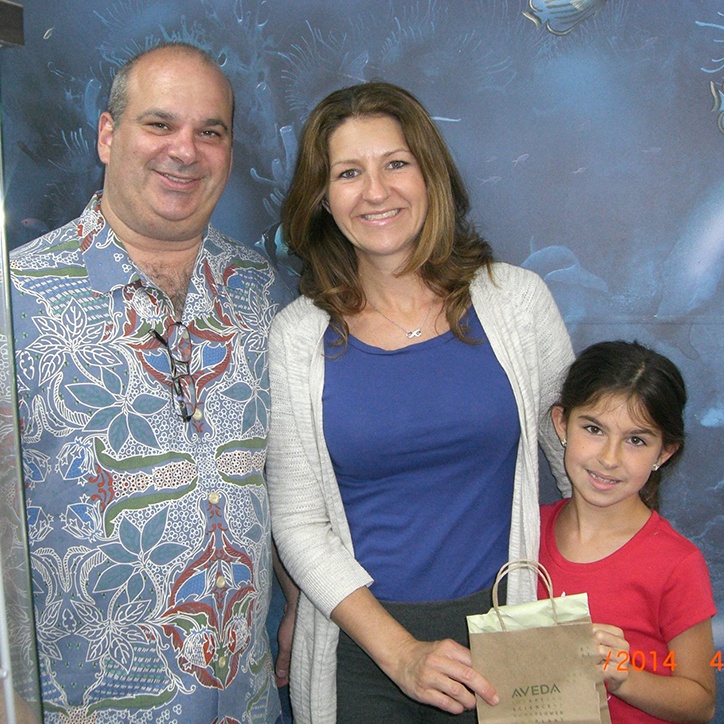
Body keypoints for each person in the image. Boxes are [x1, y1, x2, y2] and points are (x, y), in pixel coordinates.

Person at [265, 81, 574, 723]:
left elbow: (582, 465)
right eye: (349, 172)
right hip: (367, 653)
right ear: (323, 198)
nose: (376, 192)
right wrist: (401, 653)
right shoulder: (297, 337)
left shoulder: (517, 302)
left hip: (514, 636)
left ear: (430, 174)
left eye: (395, 163)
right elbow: (296, 522)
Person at [9, 42, 293, 723]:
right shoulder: (14, 297)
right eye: (159, 124)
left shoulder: (264, 292)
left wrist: (299, 602)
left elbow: (284, 472)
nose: (185, 151)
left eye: (210, 131)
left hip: (246, 704)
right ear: (108, 135)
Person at [539, 341, 717, 722]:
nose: (609, 458)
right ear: (561, 424)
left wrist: (625, 678)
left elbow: (702, 703)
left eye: (636, 440)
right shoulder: (522, 535)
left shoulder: (676, 563)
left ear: (664, 453)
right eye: (593, 429)